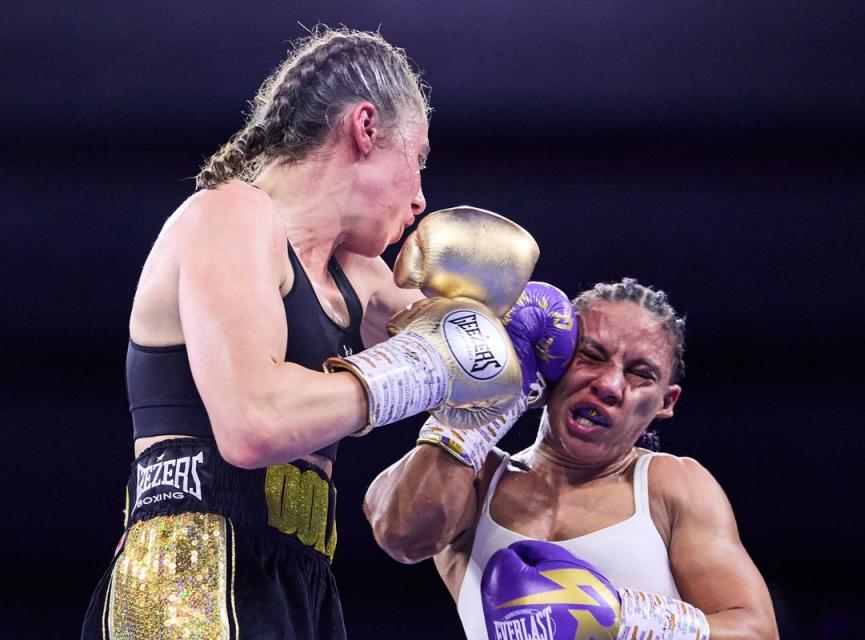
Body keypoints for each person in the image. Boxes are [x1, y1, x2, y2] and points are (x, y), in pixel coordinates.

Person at [82, 26, 546, 639]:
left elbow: (491, 356)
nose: (421, 198)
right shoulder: (230, 215)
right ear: (366, 127)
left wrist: (542, 325)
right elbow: (255, 424)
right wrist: (424, 366)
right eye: (419, 158)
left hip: (302, 581)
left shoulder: (360, 277)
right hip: (188, 573)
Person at [364, 278, 780, 639]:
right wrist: (493, 400)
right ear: (554, 360)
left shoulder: (670, 485)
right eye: (592, 356)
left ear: (665, 403)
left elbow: (757, 631)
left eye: (640, 374)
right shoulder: (475, 480)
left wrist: (628, 621)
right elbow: (401, 534)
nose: (611, 385)